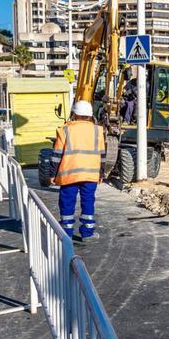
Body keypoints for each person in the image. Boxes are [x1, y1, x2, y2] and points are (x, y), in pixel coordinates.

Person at [51, 100, 105, 244]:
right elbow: (102, 154)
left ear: (74, 113)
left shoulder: (65, 129)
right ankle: (87, 233)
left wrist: (52, 174)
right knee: (88, 202)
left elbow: (57, 154)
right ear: (90, 115)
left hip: (69, 174)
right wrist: (101, 173)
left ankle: (66, 234)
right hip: (90, 174)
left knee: (67, 202)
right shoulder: (98, 130)